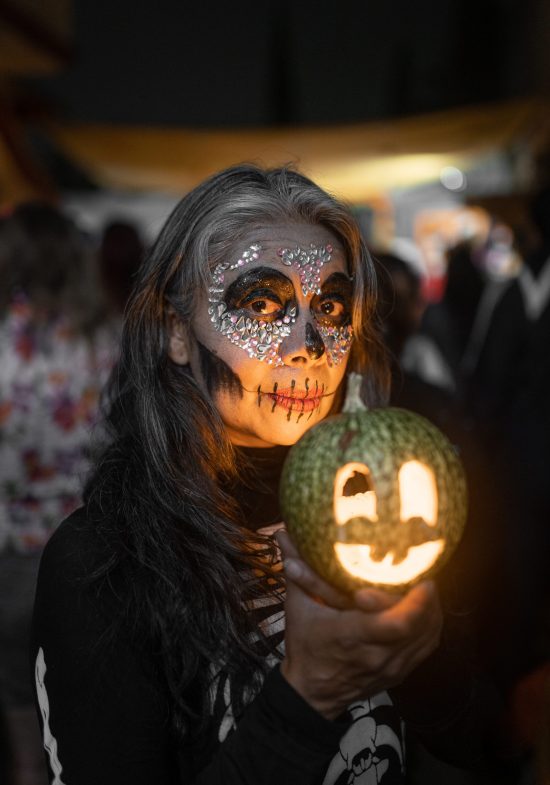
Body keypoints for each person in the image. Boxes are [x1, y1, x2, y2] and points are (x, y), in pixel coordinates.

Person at [31, 165, 495, 785]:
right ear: (174, 331)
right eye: (263, 303)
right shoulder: (104, 560)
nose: (308, 343)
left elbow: (477, 741)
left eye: (329, 306)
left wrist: (420, 657)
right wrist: (308, 696)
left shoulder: (382, 503)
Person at [0, 202, 118, 785]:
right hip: (88, 541)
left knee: (19, 690)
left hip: (11, 544)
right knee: (82, 692)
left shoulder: (2, 339)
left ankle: (27, 772)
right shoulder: (107, 338)